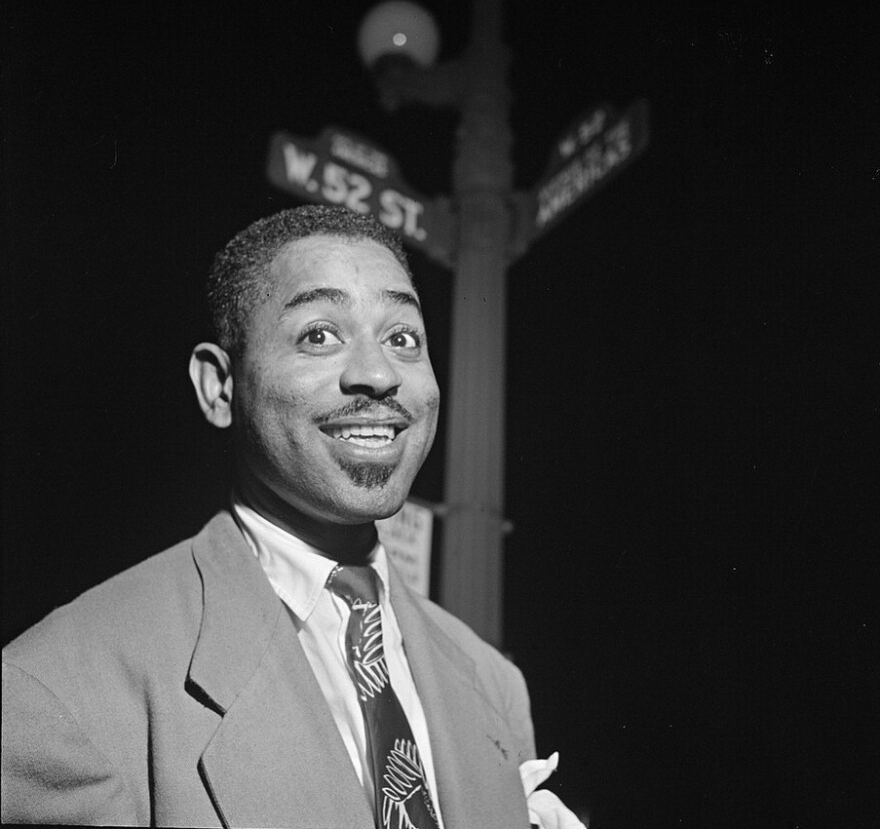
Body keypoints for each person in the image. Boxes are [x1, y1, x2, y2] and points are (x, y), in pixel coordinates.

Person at [2, 205, 584, 828]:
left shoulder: (494, 685)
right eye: (319, 335)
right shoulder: (54, 692)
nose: (378, 374)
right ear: (219, 387)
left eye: (402, 338)